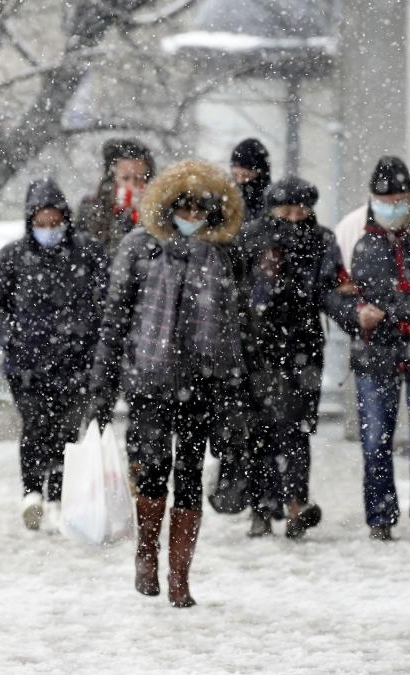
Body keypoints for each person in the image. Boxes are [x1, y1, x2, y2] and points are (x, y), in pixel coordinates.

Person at [89, 159, 247, 607]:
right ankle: (145, 554)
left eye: (201, 209)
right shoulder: (139, 247)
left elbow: (240, 326)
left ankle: (180, 576)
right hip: (149, 381)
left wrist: (236, 392)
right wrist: (102, 386)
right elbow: (115, 320)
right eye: (185, 208)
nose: (192, 216)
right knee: (152, 471)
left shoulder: (226, 253)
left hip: (205, 381)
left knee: (191, 476)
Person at [237, 176, 377, 538]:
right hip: (257, 347)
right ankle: (262, 508)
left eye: (302, 211)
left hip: (302, 346)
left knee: (296, 429)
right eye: (287, 211)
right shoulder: (251, 237)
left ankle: (296, 502)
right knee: (260, 431)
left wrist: (352, 317)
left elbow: (331, 291)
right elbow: (236, 292)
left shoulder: (321, 240)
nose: (295, 218)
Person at [0, 178, 108, 532]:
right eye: (41, 223)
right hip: (28, 366)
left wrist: (87, 338)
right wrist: (12, 338)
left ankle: (58, 495)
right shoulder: (12, 258)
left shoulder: (89, 253)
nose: (49, 230)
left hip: (75, 365)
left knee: (68, 432)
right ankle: (33, 493)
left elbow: (105, 303)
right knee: (36, 428)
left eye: (55, 222)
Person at [344, 156, 410, 542]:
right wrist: (357, 315)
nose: (390, 206)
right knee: (376, 438)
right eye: (382, 199)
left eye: (397, 198)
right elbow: (334, 291)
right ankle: (381, 516)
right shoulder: (354, 230)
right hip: (376, 353)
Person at [208, 137, 274, 515]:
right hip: (234, 327)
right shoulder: (226, 207)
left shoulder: (262, 212)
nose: (241, 177)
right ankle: (236, 486)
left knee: (257, 416)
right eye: (237, 170)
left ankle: (255, 492)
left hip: (257, 330)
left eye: (247, 170)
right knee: (234, 413)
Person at [76, 138, 156, 255]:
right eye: (125, 178)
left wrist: (143, 217)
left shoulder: (157, 212)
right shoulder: (91, 208)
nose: (132, 185)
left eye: (139, 178)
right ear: (113, 178)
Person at [230, 138, 272, 222]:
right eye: (235, 175)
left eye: (246, 175)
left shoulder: (272, 201)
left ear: (261, 174)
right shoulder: (227, 196)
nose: (240, 180)